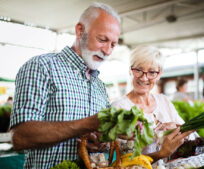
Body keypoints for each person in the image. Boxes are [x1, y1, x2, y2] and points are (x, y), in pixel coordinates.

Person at [9, 3, 121, 168]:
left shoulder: (100, 86)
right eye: (102, 39)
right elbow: (20, 137)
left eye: (113, 44)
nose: (107, 51)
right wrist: (86, 124)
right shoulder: (41, 66)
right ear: (80, 30)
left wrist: (100, 143)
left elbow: (97, 137)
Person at [111, 45, 196, 163]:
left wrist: (174, 129)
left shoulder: (164, 101)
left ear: (159, 74)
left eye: (151, 72)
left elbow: (189, 134)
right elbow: (121, 159)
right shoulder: (119, 107)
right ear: (130, 70)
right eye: (139, 70)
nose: (144, 78)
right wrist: (161, 152)